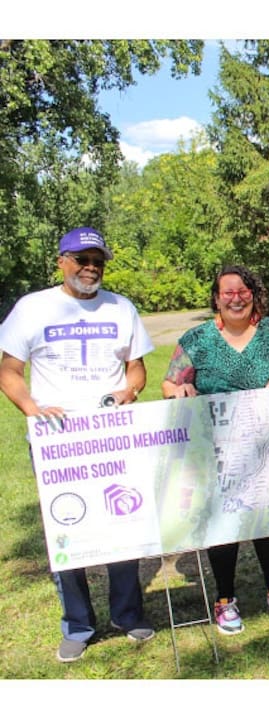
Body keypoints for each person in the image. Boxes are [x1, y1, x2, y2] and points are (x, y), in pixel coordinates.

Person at [0, 227, 155, 662]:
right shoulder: (32, 308)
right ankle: (78, 625)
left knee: (123, 520)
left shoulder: (122, 308)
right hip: (58, 443)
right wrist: (32, 409)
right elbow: (8, 370)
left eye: (98, 261)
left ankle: (127, 614)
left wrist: (131, 391)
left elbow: (136, 369)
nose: (91, 268)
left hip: (111, 435)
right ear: (62, 261)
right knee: (67, 526)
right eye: (82, 259)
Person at [161, 265, 269, 634]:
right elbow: (169, 383)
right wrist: (180, 392)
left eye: (242, 290)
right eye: (227, 292)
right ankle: (225, 597)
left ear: (253, 294)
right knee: (223, 522)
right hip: (218, 450)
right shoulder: (196, 339)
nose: (235, 297)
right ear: (216, 298)